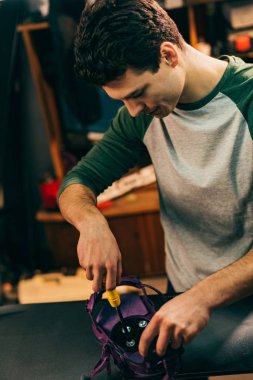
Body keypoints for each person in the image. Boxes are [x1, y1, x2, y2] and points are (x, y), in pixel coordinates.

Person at [58, 0, 253, 363]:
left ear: (169, 55)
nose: (131, 110)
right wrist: (91, 222)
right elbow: (79, 180)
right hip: (181, 291)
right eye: (122, 100)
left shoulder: (249, 100)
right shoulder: (144, 113)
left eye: (136, 93)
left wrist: (202, 296)